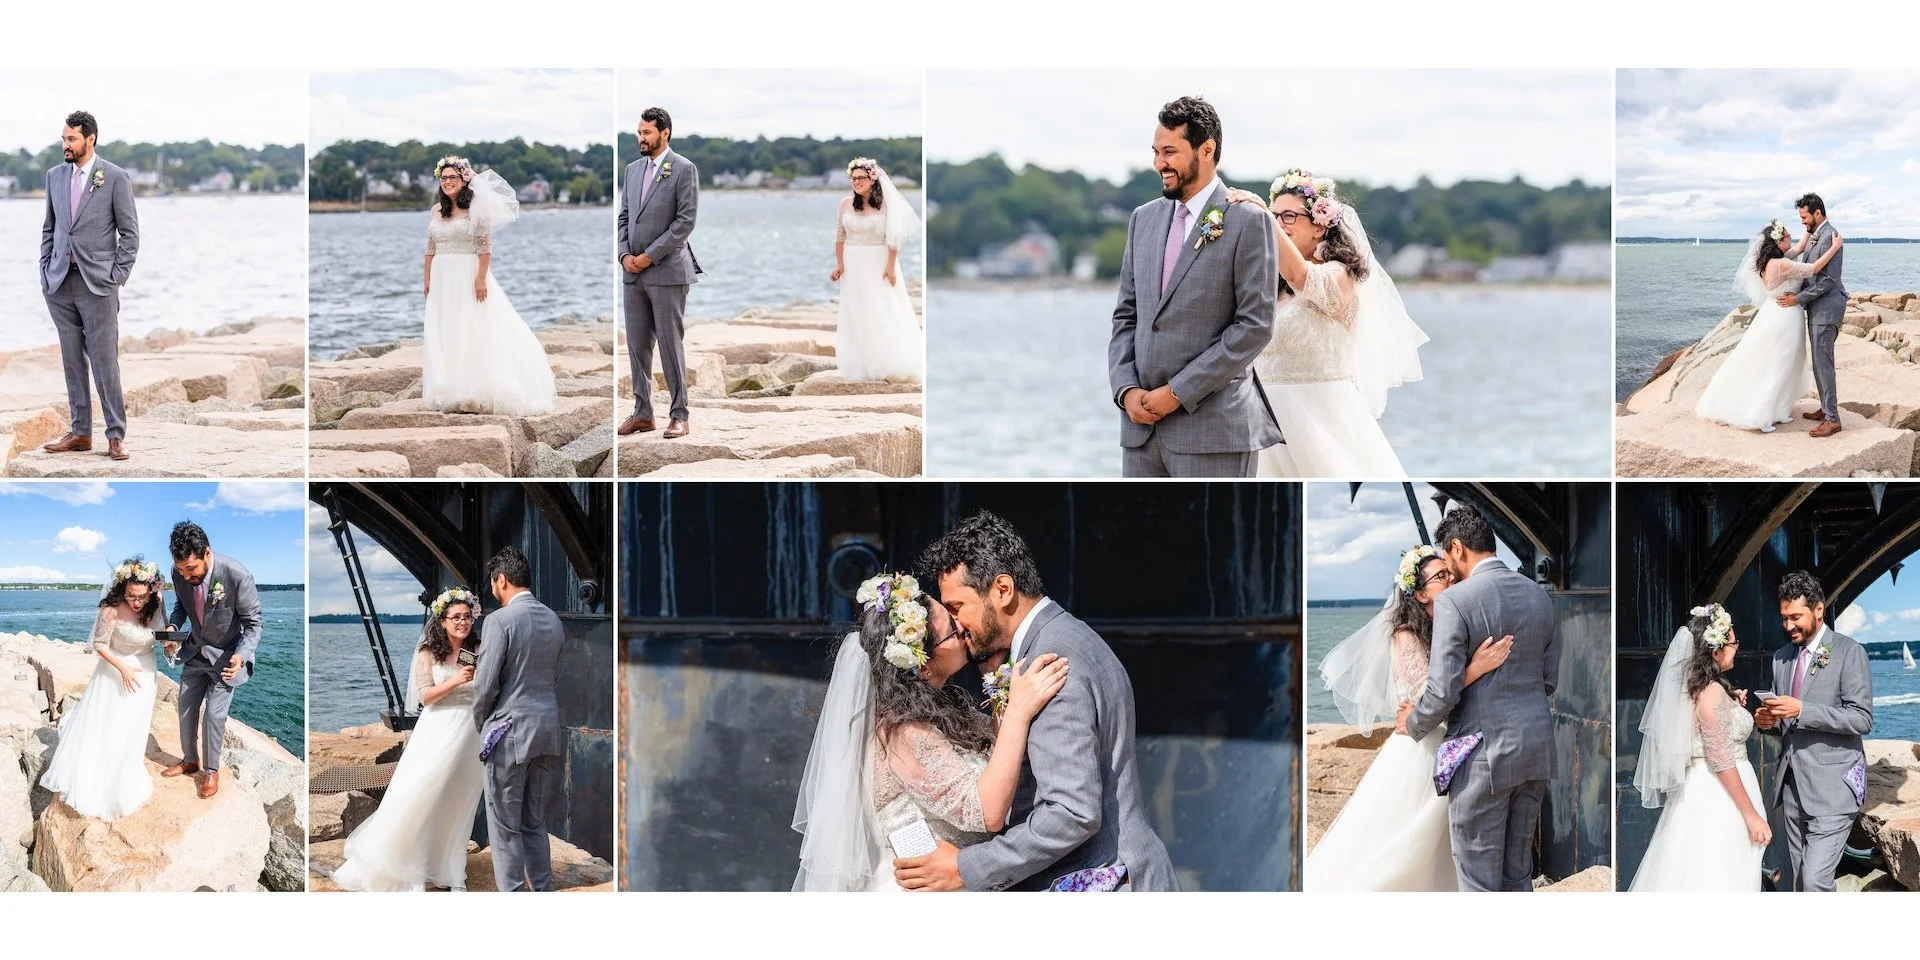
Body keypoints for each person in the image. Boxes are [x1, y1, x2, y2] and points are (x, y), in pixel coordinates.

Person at [790, 571, 1069, 890]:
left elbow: (996, 764)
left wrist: (998, 683)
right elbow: (987, 811)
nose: (962, 624)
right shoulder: (903, 731)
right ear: (922, 665)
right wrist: (1018, 712)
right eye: (951, 629)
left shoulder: (941, 709)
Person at [1308, 544, 1512, 890]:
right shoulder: (1406, 635)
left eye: (1450, 572)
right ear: (1419, 595)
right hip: (1421, 750)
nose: (1450, 579)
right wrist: (1476, 667)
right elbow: (1427, 697)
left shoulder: (1451, 625)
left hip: (1452, 744)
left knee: (1443, 842)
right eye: (1440, 576)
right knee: (1408, 840)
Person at [332, 588, 487, 892]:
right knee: (423, 797)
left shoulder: (480, 648)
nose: (463, 622)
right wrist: (456, 680)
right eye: (456, 617)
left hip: (471, 733)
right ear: (442, 620)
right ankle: (412, 871)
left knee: (460, 802)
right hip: (437, 732)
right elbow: (425, 696)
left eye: (467, 616)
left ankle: (454, 874)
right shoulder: (428, 651)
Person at [1629, 603, 1769, 891]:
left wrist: (1733, 707)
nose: (1737, 648)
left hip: (1700, 791)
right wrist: (1751, 814)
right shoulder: (1712, 693)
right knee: (1720, 876)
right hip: (1719, 798)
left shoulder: (1699, 689)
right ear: (1715, 651)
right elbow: (1720, 758)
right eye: (1733, 642)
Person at [419, 155, 558, 418]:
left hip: (468, 272)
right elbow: (430, 248)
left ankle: (473, 388)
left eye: (453, 177)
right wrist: (427, 279)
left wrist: (481, 278)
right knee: (446, 327)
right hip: (442, 276)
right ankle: (447, 387)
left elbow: (485, 248)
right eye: (444, 178)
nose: (447, 182)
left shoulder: (475, 208)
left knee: (472, 325)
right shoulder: (436, 211)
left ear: (463, 181)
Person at [39, 558, 168, 820]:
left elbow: (160, 633)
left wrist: (170, 645)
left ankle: (127, 767)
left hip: (146, 669)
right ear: (122, 589)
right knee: (113, 722)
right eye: (131, 596)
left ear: (151, 591)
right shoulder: (110, 608)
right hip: (116, 670)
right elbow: (99, 645)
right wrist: (122, 668)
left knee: (135, 722)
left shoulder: (156, 602)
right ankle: (104, 777)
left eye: (142, 597)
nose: (137, 603)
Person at [830, 158, 922, 383]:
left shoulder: (885, 205)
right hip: (853, 262)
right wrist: (840, 264)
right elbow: (840, 236)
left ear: (872, 180)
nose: (856, 182)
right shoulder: (845, 204)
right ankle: (862, 364)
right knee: (858, 310)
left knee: (881, 307)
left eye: (861, 178)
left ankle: (888, 361)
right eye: (853, 179)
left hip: (878, 260)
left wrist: (890, 266)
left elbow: (893, 238)